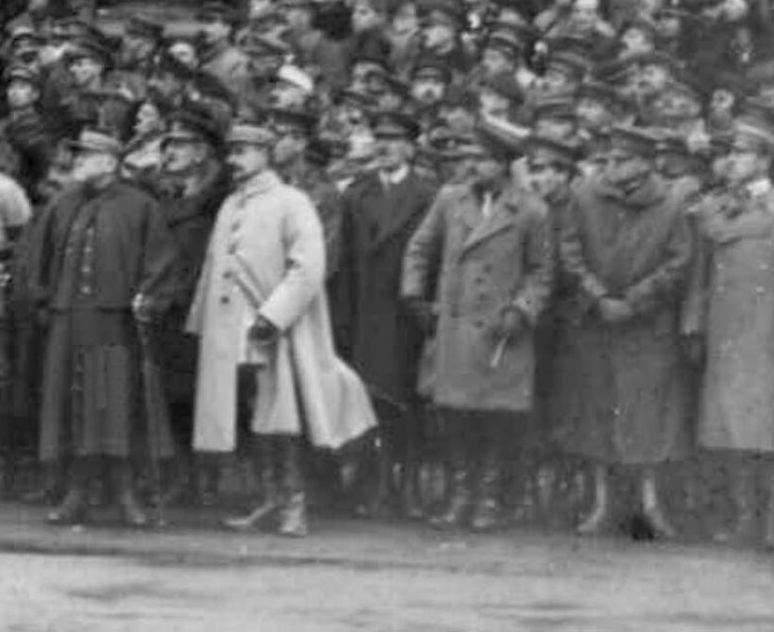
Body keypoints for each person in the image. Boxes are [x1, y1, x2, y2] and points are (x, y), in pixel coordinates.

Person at [188, 120, 374, 538]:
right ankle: (269, 498)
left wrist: (274, 316)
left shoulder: (292, 202)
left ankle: (294, 505)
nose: (234, 160)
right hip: (230, 327)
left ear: (265, 154)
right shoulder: (230, 205)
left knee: (283, 415)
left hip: (274, 326)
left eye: (243, 151)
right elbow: (213, 268)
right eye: (231, 152)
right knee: (254, 412)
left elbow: (309, 267)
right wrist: (205, 324)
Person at [399, 125, 551, 532]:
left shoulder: (531, 210)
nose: (471, 165)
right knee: (456, 417)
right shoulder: (450, 200)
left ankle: (486, 497)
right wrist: (415, 296)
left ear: (502, 165)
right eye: (470, 157)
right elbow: (419, 247)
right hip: (456, 324)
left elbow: (541, 272)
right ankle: (461, 493)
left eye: (481, 159)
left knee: (495, 419)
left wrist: (521, 310)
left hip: (501, 332)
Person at [23, 129, 178, 526]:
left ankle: (125, 495)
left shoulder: (140, 206)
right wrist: (43, 302)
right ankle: (77, 493)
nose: (77, 162)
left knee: (110, 407)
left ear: (110, 162)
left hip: (113, 322)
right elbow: (37, 262)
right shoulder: (61, 205)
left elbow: (160, 262)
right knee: (71, 407)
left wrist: (149, 297)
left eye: (86, 155)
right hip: (68, 320)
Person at [682, 118, 774, 549]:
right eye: (729, 154)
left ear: (763, 160)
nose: (732, 161)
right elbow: (698, 277)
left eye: (742, 154)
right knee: (732, 429)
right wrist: (693, 325)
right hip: (727, 331)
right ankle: (744, 516)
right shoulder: (713, 208)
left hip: (772, 333)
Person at [553, 120, 692, 538]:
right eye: (609, 158)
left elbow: (678, 261)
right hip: (596, 322)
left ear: (646, 164)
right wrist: (598, 297)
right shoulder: (583, 196)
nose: (611, 166)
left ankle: (650, 504)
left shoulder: (671, 204)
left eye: (622, 159)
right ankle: (601, 503)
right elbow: (570, 250)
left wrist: (633, 301)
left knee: (648, 417)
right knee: (595, 411)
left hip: (645, 326)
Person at [330, 107, 437, 515]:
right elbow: (345, 264)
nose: (386, 148)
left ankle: (406, 485)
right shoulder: (357, 194)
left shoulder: (428, 194)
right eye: (380, 140)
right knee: (368, 401)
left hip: (406, 311)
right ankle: (375, 484)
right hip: (365, 312)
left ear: (411, 148)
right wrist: (343, 317)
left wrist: (425, 310)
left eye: (395, 141)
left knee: (405, 402)